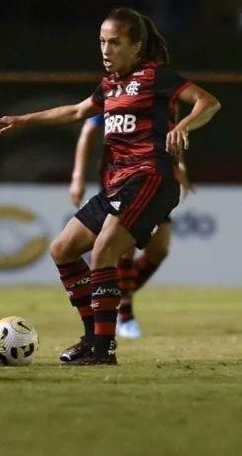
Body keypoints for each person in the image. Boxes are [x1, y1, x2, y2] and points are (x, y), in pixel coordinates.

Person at [0, 7, 220, 365]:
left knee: (104, 253)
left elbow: (208, 102)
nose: (105, 50)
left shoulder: (156, 76)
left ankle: (103, 350)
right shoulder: (109, 85)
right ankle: (90, 338)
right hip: (117, 183)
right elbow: (76, 111)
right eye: (102, 42)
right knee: (63, 249)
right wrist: (21, 120)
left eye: (114, 42)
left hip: (150, 177)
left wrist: (183, 126)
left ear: (137, 47)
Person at [69, 115, 192, 339]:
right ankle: (124, 316)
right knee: (124, 245)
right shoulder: (124, 93)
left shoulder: (161, 97)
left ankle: (110, 297)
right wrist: (78, 176)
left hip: (156, 177)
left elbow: (170, 133)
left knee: (159, 249)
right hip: (121, 176)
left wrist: (179, 166)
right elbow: (88, 127)